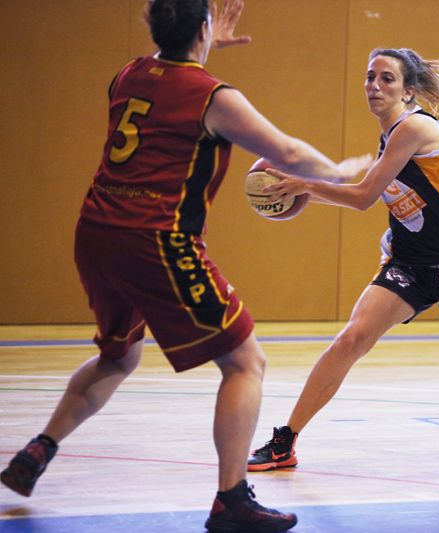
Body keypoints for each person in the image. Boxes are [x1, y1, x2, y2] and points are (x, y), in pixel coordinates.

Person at [0, 1, 371, 532]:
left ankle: (37, 450)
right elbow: (284, 148)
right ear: (202, 28)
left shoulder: (128, 75)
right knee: (246, 362)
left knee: (119, 356)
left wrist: (199, 42)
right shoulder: (216, 98)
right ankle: (231, 500)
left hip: (97, 231)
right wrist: (339, 171)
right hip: (154, 239)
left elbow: (169, 77)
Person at [244, 47, 439, 472]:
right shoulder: (390, 138)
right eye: (370, 77)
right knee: (352, 338)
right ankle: (285, 441)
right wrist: (307, 185)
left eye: (387, 78)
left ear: (409, 91)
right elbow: (370, 190)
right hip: (412, 263)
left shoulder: (415, 128)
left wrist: (304, 187)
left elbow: (365, 196)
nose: (374, 85)